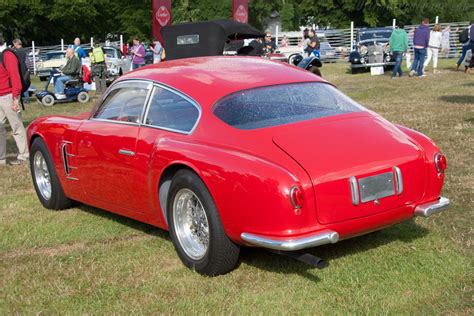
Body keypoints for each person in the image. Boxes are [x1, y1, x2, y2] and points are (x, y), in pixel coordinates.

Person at [0, 35, 29, 165]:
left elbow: (15, 78)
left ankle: (24, 155)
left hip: (8, 97)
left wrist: (15, 98)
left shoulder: (8, 55)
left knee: (16, 127)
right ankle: (1, 158)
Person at [12, 39, 29, 103]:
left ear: (16, 43)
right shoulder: (22, 50)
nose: (13, 45)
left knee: (23, 83)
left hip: (22, 69)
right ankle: (24, 98)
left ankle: (25, 98)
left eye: (14, 44)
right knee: (24, 82)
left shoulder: (19, 51)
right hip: (24, 68)